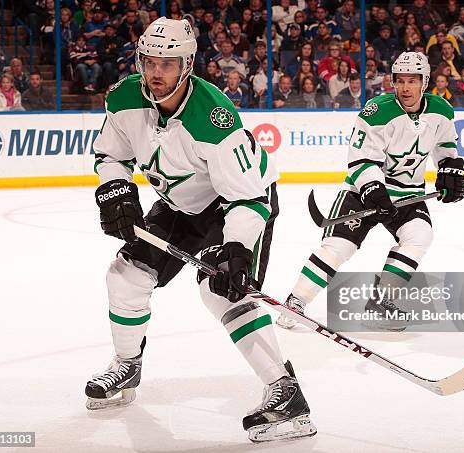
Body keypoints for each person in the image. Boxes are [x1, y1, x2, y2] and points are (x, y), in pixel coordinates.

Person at [86, 17, 316, 443]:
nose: (156, 72)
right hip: (181, 203)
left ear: (187, 64)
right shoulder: (122, 99)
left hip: (241, 202)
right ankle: (127, 365)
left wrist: (237, 250)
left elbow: (247, 199)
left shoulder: (214, 119)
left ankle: (286, 393)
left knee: (221, 291)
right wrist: (115, 190)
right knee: (125, 276)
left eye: (167, 64)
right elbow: (109, 155)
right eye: (149, 61)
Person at [276, 52, 464, 332]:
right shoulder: (377, 111)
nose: (405, 88)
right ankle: (296, 301)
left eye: (412, 81)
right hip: (362, 192)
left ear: (424, 82)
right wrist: (374, 190)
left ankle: (381, 303)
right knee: (339, 246)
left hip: (408, 194)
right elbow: (361, 158)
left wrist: (450, 171)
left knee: (419, 235)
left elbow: (446, 148)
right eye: (400, 81)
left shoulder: (442, 111)